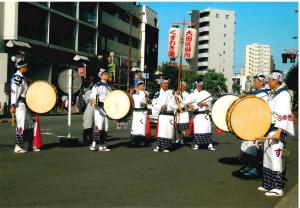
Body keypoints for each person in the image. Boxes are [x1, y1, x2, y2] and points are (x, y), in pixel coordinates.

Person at [257, 70, 294, 197]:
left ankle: (278, 188)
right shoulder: (274, 94)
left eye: (270, 79)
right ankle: (268, 184)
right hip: (269, 129)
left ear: (277, 80)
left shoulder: (283, 94)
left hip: (276, 129)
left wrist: (279, 131)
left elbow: (285, 114)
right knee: (267, 157)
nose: (268, 81)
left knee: (275, 157)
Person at [240, 73, 269, 176]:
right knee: (247, 145)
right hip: (250, 124)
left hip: (257, 125)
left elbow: (260, 110)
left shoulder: (264, 95)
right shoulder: (255, 93)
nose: (253, 83)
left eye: (255, 81)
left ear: (261, 82)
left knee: (254, 146)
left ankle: (255, 168)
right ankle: (249, 165)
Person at [9, 60, 36, 153]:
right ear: (22, 67)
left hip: (24, 104)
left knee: (30, 124)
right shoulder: (17, 78)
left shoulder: (22, 77)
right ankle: (17, 146)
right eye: (26, 67)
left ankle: (28, 144)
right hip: (19, 104)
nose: (27, 68)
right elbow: (14, 92)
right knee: (20, 125)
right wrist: (13, 105)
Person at [188, 79, 215, 151]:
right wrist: (193, 106)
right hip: (197, 115)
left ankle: (209, 144)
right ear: (196, 85)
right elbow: (188, 104)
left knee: (207, 129)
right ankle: (197, 144)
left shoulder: (206, 93)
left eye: (201, 86)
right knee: (197, 130)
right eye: (198, 86)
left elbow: (209, 103)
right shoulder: (192, 94)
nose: (200, 87)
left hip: (204, 114)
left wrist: (203, 104)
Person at [89, 69, 112, 152]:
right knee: (98, 126)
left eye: (107, 74)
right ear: (101, 76)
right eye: (105, 74)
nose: (107, 75)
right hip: (99, 107)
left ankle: (102, 145)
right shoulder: (97, 85)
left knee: (106, 127)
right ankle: (93, 144)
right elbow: (92, 96)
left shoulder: (109, 87)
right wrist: (94, 102)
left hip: (107, 108)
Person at [152, 77, 176, 152]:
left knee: (168, 131)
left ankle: (167, 146)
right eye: (164, 83)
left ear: (168, 84)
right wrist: (161, 107)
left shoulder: (172, 92)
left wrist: (168, 107)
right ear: (161, 84)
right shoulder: (157, 93)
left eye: (167, 83)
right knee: (161, 131)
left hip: (169, 115)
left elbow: (174, 103)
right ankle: (159, 145)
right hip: (162, 114)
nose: (165, 85)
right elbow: (154, 103)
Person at [130, 80, 150, 146]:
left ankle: (142, 140)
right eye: (140, 85)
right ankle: (134, 140)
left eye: (143, 85)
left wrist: (138, 91)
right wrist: (133, 92)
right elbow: (130, 98)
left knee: (141, 126)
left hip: (142, 112)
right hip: (135, 111)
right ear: (138, 86)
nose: (142, 86)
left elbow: (146, 96)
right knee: (135, 126)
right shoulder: (134, 92)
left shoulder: (145, 92)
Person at [82, 81, 94, 145]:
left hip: (90, 110)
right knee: (88, 126)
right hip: (89, 110)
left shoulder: (88, 91)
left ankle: (89, 140)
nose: (93, 84)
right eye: (91, 83)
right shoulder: (88, 92)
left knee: (90, 126)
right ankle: (86, 140)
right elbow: (88, 101)